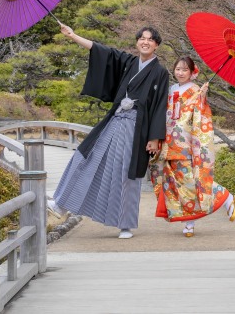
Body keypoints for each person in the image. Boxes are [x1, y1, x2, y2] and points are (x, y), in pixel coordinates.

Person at [48, 24, 169, 239]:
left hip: (137, 128)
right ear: (137, 42)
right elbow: (102, 51)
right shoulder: (129, 62)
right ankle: (62, 204)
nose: (145, 42)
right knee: (88, 157)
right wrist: (73, 35)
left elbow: (160, 105)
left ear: (156, 45)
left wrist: (154, 138)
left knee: (125, 173)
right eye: (142, 38)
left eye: (150, 39)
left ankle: (125, 224)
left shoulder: (160, 72)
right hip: (115, 120)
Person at [150, 56, 235, 237]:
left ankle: (225, 198)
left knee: (189, 181)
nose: (180, 73)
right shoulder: (171, 89)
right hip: (168, 141)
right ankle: (189, 222)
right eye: (178, 69)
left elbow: (200, 116)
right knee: (175, 184)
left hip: (185, 143)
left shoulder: (196, 90)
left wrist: (202, 97)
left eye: (185, 70)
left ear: (192, 73)